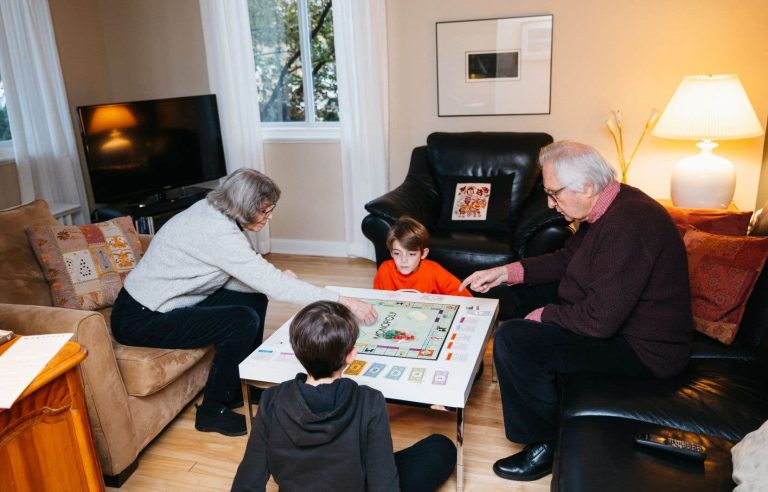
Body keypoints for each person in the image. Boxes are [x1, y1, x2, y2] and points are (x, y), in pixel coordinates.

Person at [460, 141, 692, 481]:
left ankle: (543, 443)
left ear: (585, 185)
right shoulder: (608, 205)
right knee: (519, 294)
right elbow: (567, 260)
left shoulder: (629, 225)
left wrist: (545, 315)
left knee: (514, 340)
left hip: (645, 349)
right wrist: (506, 273)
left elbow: (598, 322)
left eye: (554, 194)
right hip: (618, 320)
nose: (550, 205)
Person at [110, 168, 377, 437]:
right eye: (265, 210)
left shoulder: (217, 212)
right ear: (243, 206)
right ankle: (212, 411)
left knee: (254, 297)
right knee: (241, 321)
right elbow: (269, 282)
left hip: (171, 300)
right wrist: (344, 302)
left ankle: (236, 388)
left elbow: (237, 273)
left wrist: (269, 279)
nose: (270, 216)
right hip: (141, 317)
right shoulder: (218, 231)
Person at [231, 301, 456, 492]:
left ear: (296, 351)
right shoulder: (370, 401)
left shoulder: (271, 400)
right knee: (441, 447)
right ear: (351, 356)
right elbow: (383, 484)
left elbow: (248, 481)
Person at [373, 216, 472, 297]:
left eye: (411, 254)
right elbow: (375, 301)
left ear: (423, 254)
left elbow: (464, 297)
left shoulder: (434, 271)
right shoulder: (384, 270)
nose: (403, 260)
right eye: (397, 253)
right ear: (391, 252)